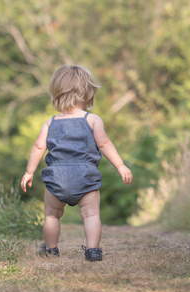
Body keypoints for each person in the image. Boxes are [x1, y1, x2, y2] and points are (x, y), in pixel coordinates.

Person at [21, 65, 133, 261]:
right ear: (88, 93)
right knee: (91, 215)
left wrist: (29, 172)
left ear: (56, 93)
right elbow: (105, 144)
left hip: (57, 177)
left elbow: (39, 147)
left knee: (52, 216)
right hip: (85, 177)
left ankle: (50, 249)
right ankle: (92, 250)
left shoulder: (50, 122)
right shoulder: (92, 120)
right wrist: (120, 165)